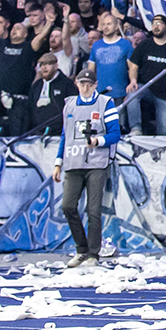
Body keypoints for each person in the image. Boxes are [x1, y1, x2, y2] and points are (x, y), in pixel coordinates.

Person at [54, 64, 121, 268]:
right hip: (73, 162)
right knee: (68, 205)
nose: (84, 88)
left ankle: (93, 253)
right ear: (76, 84)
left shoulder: (105, 103)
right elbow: (65, 136)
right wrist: (58, 162)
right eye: (82, 84)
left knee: (93, 209)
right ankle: (81, 248)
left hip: (96, 163)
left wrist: (98, 142)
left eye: (88, 84)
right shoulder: (70, 105)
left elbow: (115, 133)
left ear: (95, 85)